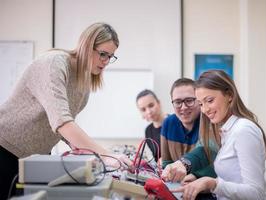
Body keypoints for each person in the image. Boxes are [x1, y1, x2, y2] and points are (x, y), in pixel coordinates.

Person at [0, 22, 132, 200]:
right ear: (87, 46)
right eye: (102, 54)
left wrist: (89, 154)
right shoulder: (54, 63)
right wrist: (106, 155)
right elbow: (62, 121)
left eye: (111, 56)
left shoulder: (84, 84)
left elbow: (65, 128)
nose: (106, 61)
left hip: (34, 158)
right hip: (6, 147)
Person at [168, 70, 266, 200]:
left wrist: (212, 183)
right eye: (201, 104)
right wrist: (201, 184)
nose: (204, 110)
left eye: (209, 100)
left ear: (229, 95)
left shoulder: (244, 130)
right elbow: (233, 179)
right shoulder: (227, 131)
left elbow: (256, 193)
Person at [161, 78, 201, 168]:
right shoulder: (168, 123)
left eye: (189, 100)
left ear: (199, 100)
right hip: (176, 181)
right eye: (178, 102)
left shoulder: (208, 123)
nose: (183, 107)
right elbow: (166, 163)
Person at [136, 89, 167, 162]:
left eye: (151, 105)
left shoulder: (174, 123)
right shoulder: (148, 131)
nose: (149, 112)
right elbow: (156, 158)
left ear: (159, 103)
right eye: (143, 109)